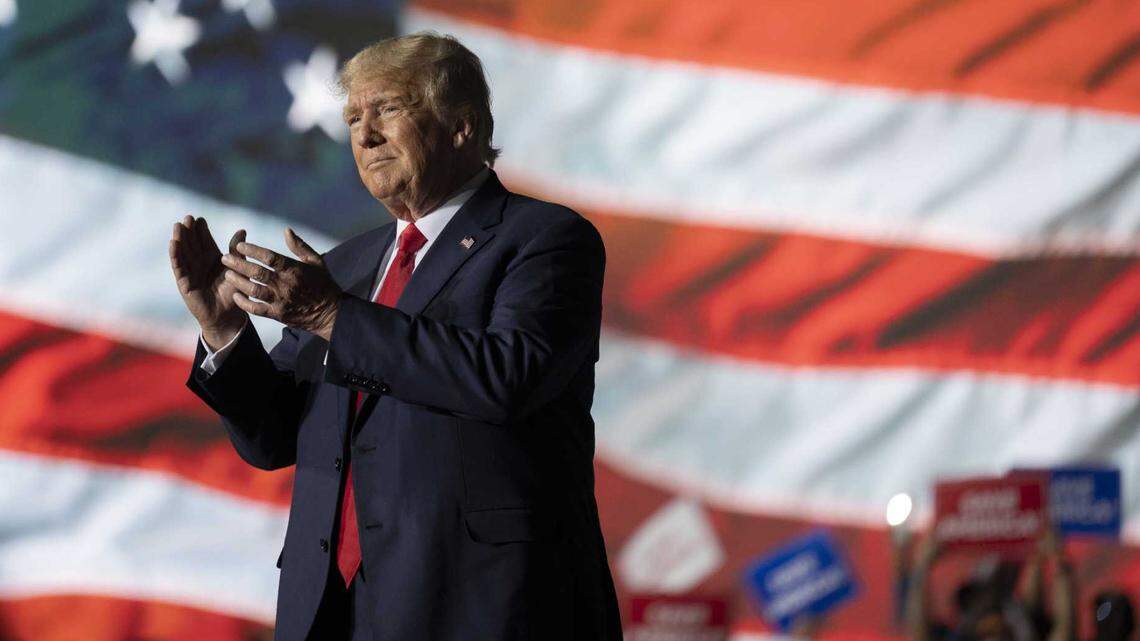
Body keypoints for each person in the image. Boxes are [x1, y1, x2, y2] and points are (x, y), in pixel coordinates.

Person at [169, 32, 622, 641]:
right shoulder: (348, 266)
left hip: (484, 605)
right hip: (333, 609)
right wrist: (223, 330)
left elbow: (508, 378)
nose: (364, 135)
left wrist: (330, 318)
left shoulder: (544, 240)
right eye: (353, 117)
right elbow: (273, 438)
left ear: (461, 126)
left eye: (386, 109)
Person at [904, 530, 1074, 641]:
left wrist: (923, 566)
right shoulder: (1022, 621)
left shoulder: (1019, 618)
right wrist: (1057, 558)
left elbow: (919, 629)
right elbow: (1065, 626)